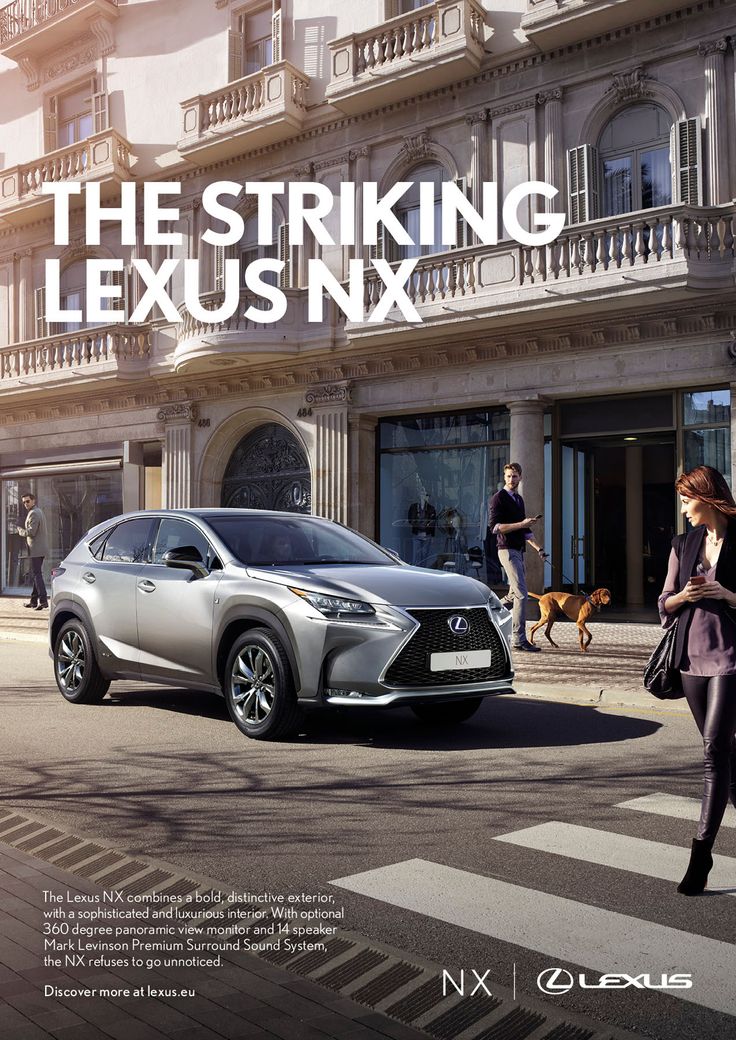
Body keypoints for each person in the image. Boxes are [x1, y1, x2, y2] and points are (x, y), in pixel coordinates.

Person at [658, 465, 736, 895]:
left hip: (730, 659)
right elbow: (664, 602)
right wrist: (685, 596)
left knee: (713, 752)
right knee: (727, 756)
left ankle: (700, 855)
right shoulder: (683, 544)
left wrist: (727, 595)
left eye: (687, 499)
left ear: (706, 498)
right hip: (690, 661)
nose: (683, 508)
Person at [488, 462, 546, 652]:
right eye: (508, 476)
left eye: (514, 476)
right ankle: (518, 640)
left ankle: (488, 612)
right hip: (506, 549)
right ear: (504, 478)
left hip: (519, 550)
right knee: (522, 593)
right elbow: (495, 528)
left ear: (520, 477)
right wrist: (520, 524)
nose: (511, 479)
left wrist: (539, 549)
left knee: (514, 594)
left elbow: (526, 531)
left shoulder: (519, 500)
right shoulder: (498, 499)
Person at [16, 492, 49, 610]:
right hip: (39, 549)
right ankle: (34, 601)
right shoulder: (37, 511)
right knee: (36, 574)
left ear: (33, 500)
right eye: (24, 502)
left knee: (37, 574)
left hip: (36, 550)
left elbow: (31, 532)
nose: (25, 503)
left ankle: (44, 600)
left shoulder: (34, 513)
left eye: (27, 501)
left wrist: (20, 531)